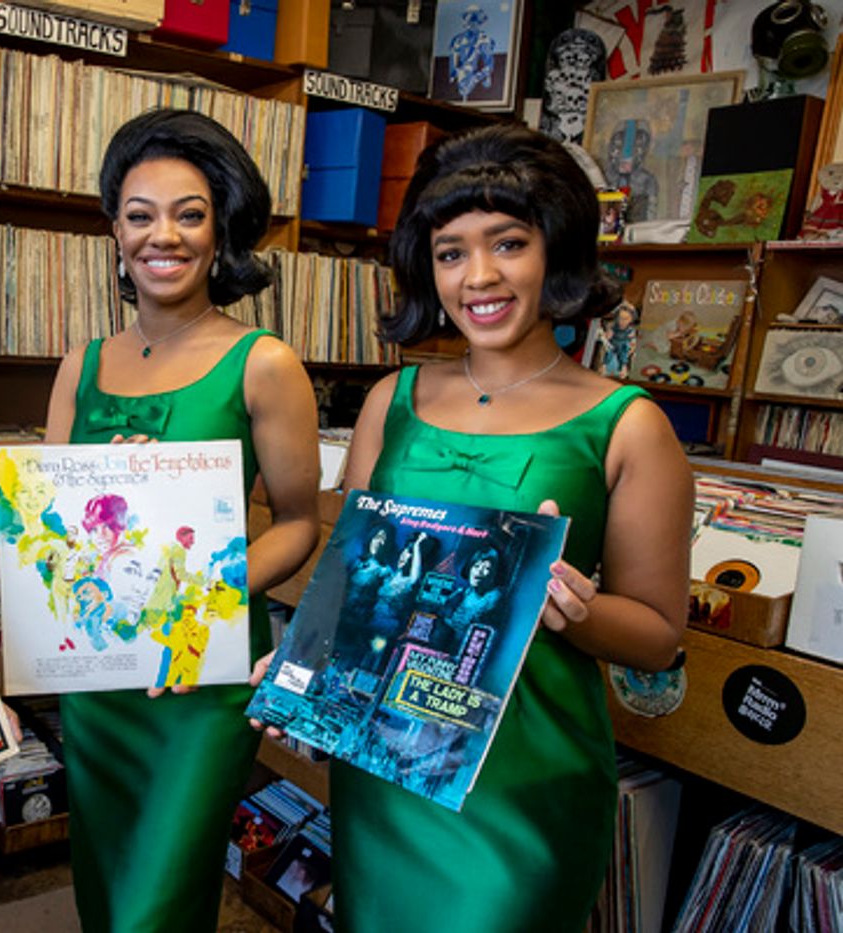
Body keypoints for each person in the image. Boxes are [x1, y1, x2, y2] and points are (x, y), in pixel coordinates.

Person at [255, 124, 691, 933]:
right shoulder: (394, 401)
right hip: (386, 766)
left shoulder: (627, 425)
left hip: (524, 781)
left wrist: (573, 606)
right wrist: (299, 662)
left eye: (508, 242)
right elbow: (352, 583)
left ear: (555, 249)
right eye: (450, 251)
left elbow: (661, 637)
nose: (478, 276)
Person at [43, 108, 320, 932]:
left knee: (160, 891)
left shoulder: (263, 363)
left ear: (220, 229)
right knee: (107, 878)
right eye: (139, 214)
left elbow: (299, 522)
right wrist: (108, 492)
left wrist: (203, 598)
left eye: (189, 214)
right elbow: (53, 534)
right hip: (101, 668)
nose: (162, 235)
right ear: (115, 231)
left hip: (201, 666)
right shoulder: (80, 365)